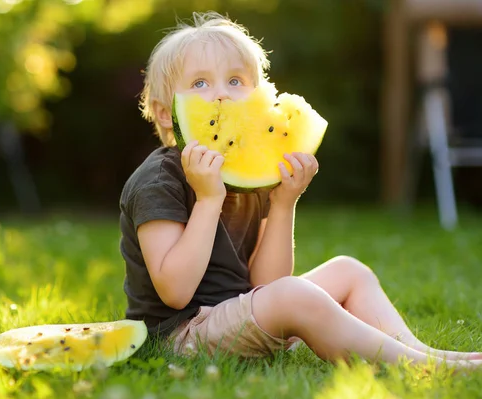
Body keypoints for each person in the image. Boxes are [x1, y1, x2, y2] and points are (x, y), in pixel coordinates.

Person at [118, 11, 482, 369]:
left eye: (235, 81)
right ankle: (418, 365)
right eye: (200, 84)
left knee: (349, 271)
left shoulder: (251, 171)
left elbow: (268, 283)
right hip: (182, 336)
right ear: (166, 114)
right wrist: (209, 199)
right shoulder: (158, 180)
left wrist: (282, 203)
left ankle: (423, 353)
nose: (222, 96)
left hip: (246, 311)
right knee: (295, 295)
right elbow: (175, 291)